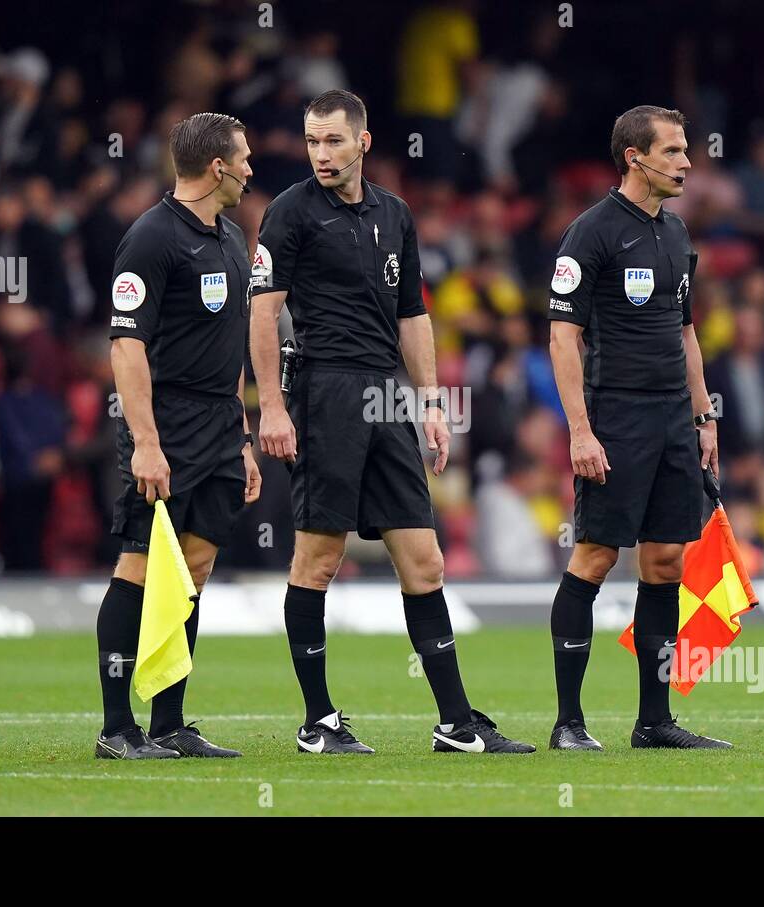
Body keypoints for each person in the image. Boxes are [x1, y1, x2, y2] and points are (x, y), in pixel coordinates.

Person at [249, 89, 533, 755]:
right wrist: (270, 404)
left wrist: (431, 400)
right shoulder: (289, 214)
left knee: (426, 561)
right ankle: (318, 721)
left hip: (387, 396)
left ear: (364, 142)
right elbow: (263, 312)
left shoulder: (394, 215)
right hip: (325, 392)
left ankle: (456, 722)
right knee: (319, 557)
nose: (321, 154)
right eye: (313, 142)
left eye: (333, 141)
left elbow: (413, 315)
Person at [546, 105, 731, 751]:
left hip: (673, 420)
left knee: (665, 559)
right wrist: (580, 429)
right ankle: (568, 721)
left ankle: (653, 722)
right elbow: (563, 338)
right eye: (675, 151)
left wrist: (704, 415)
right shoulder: (591, 233)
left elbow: (686, 334)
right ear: (635, 157)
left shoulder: (676, 233)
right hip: (615, 415)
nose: (686, 162)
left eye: (685, 150)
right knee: (595, 554)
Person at [94, 113, 260, 760]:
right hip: (165, 423)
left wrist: (241, 435)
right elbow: (126, 346)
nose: (250, 167)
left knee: (193, 569)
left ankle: (168, 723)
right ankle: (115, 727)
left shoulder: (231, 236)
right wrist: (145, 441)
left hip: (220, 425)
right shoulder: (149, 239)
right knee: (139, 564)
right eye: (243, 158)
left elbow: (229, 346)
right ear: (217, 166)